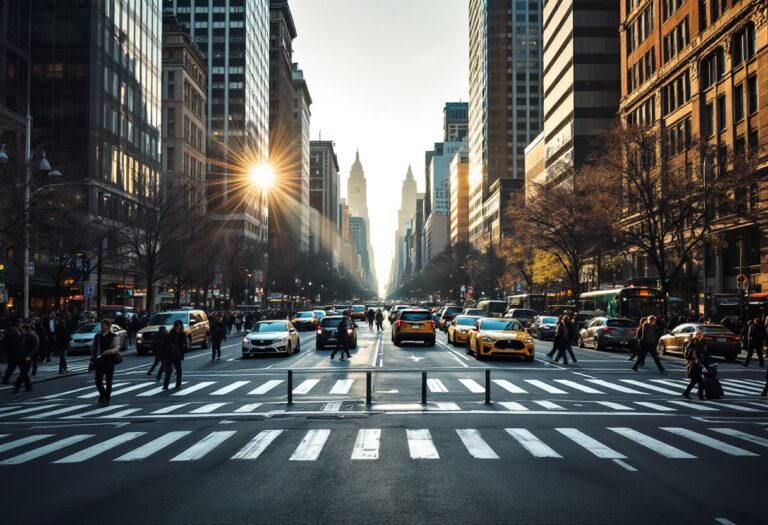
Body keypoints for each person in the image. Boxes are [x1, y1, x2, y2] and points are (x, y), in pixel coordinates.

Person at [90, 319, 119, 406]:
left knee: (108, 381)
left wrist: (109, 351)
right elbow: (94, 348)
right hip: (99, 361)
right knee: (98, 380)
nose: (102, 328)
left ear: (108, 327)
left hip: (109, 361)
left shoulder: (114, 336)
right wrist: (92, 358)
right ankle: (103, 394)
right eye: (101, 326)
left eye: (103, 326)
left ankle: (107, 398)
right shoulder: (97, 336)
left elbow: (116, 348)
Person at [161, 320, 187, 390]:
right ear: (175, 326)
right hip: (170, 354)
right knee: (169, 370)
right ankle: (165, 385)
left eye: (180, 326)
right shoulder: (171, 333)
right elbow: (167, 343)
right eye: (178, 326)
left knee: (178, 370)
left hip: (176, 354)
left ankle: (178, 384)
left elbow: (183, 344)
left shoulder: (182, 334)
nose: (179, 327)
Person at [682, 331, 707, 400]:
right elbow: (688, 355)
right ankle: (700, 395)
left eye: (701, 335)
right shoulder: (693, 344)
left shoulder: (700, 343)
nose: (699, 336)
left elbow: (703, 354)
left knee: (695, 381)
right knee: (699, 381)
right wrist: (695, 358)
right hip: (694, 365)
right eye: (698, 335)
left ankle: (687, 393)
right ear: (695, 335)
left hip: (697, 364)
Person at [13, 324, 35, 394]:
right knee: (24, 372)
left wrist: (30, 356)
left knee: (24, 372)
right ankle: (29, 387)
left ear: (26, 330)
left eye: (22, 330)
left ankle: (17, 385)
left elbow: (35, 348)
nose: (21, 331)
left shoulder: (31, 337)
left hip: (27, 358)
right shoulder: (21, 337)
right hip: (20, 358)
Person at [0, 320, 21, 384]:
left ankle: (5, 380)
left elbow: (4, 344)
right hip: (15, 353)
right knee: (22, 368)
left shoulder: (10, 332)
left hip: (13, 353)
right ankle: (23, 381)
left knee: (11, 367)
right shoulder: (13, 332)